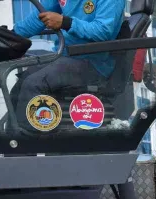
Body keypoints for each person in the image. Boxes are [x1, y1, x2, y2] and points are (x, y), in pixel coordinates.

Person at [11, 0, 126, 129]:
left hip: (92, 62)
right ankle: (8, 141)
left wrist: (66, 22)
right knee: (20, 84)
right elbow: (39, 16)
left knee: (34, 85)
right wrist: (10, 35)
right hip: (65, 56)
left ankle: (27, 143)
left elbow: (104, 31)